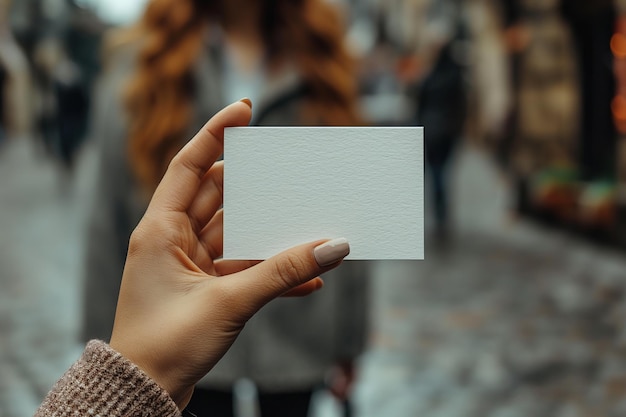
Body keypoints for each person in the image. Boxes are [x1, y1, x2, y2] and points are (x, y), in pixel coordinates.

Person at [81, 1, 368, 415]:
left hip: (300, 318)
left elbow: (352, 206)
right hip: (182, 319)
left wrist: (349, 339)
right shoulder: (144, 60)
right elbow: (108, 214)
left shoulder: (321, 55)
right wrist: (106, 342)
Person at [35, 99, 352, 417]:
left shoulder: (324, 75)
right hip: (182, 328)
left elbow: (351, 211)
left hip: (299, 335)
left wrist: (350, 342)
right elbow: (107, 222)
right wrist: (117, 352)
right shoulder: (138, 82)